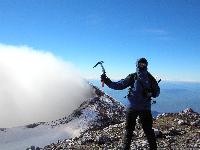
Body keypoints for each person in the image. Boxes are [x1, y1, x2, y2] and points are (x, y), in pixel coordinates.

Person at [101, 58, 160, 150]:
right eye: (141, 64)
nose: (142, 66)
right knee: (148, 131)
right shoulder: (149, 78)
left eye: (143, 64)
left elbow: (119, 85)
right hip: (145, 109)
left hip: (132, 108)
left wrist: (107, 81)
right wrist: (151, 93)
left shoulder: (133, 76)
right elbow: (157, 93)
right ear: (138, 65)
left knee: (128, 131)